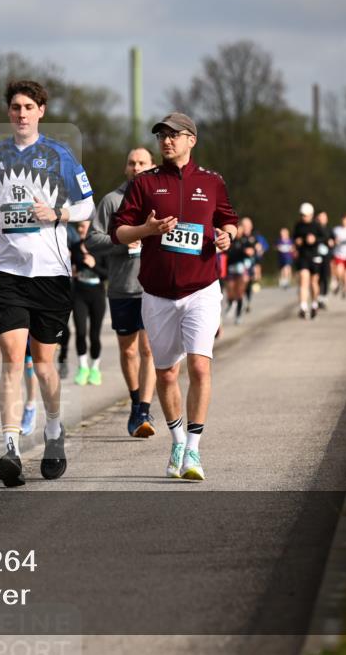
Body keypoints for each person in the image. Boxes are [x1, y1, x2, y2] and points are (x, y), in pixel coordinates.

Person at [0, 79, 95, 487]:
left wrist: (56, 214)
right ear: (8, 112)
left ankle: (54, 430)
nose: (21, 113)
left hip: (51, 274)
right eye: (15, 107)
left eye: (28, 107)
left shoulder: (60, 155)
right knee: (11, 358)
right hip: (6, 273)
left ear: (41, 111)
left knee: (44, 365)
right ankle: (10, 449)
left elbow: (86, 206)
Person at [110, 112, 238, 481]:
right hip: (157, 294)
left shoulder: (212, 182)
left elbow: (228, 219)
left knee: (199, 366)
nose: (166, 141)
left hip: (201, 289)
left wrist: (228, 235)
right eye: (162, 135)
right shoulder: (145, 183)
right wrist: (146, 229)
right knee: (166, 374)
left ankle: (195, 451)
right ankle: (178, 439)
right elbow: (118, 231)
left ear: (191, 140)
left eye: (174, 135)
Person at [85, 146, 157, 437]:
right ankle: (135, 399)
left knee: (149, 349)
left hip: (154, 288)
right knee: (128, 351)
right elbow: (92, 239)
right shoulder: (112, 201)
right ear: (126, 168)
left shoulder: (159, 200)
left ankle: (144, 410)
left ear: (152, 166)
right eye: (132, 163)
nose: (136, 167)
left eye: (142, 162)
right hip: (122, 288)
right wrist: (121, 244)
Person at [69, 220, 108, 385]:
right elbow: (70, 268)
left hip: (97, 295)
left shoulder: (102, 248)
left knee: (94, 335)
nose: (80, 229)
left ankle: (95, 369)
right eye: (79, 226)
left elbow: (107, 274)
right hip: (79, 294)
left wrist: (93, 265)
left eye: (83, 226)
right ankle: (83, 367)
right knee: (80, 332)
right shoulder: (75, 247)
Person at [293, 203, 324, 319]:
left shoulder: (316, 225)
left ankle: (314, 304)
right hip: (303, 256)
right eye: (302, 215)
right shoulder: (298, 225)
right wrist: (297, 241)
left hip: (314, 256)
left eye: (306, 215)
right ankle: (303, 307)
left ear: (311, 215)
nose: (304, 218)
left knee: (313, 282)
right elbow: (294, 237)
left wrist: (315, 239)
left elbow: (324, 238)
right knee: (303, 280)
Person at [224, 222, 257, 325]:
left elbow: (252, 251)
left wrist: (251, 251)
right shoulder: (230, 240)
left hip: (242, 269)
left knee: (239, 292)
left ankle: (238, 315)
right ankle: (231, 304)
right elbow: (228, 253)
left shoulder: (246, 241)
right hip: (230, 268)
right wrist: (242, 252)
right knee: (230, 290)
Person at [315, 211, 335, 310]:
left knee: (325, 277)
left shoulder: (329, 229)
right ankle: (318, 298)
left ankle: (324, 297)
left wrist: (333, 241)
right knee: (317, 277)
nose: (323, 219)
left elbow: (334, 240)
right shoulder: (314, 228)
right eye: (321, 217)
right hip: (316, 256)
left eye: (324, 217)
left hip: (327, 256)